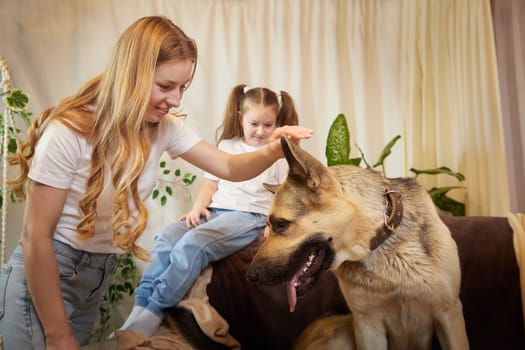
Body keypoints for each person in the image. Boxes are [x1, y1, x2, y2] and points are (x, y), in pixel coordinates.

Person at [0, 16, 312, 350]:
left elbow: (229, 167)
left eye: (182, 88)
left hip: (96, 276)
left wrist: (273, 150)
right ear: (131, 75)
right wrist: (58, 333)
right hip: (45, 278)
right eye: (166, 87)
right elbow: (36, 237)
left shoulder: (164, 128)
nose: (176, 100)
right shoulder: (67, 132)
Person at [120, 84, 299, 336]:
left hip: (248, 217)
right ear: (240, 118)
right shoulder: (228, 145)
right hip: (215, 211)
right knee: (167, 236)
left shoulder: (277, 155)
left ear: (277, 122)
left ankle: (155, 310)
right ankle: (140, 306)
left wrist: (273, 225)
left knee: (193, 243)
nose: (260, 131)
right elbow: (211, 182)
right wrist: (198, 207)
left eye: (268, 125)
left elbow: (283, 195)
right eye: (254, 124)